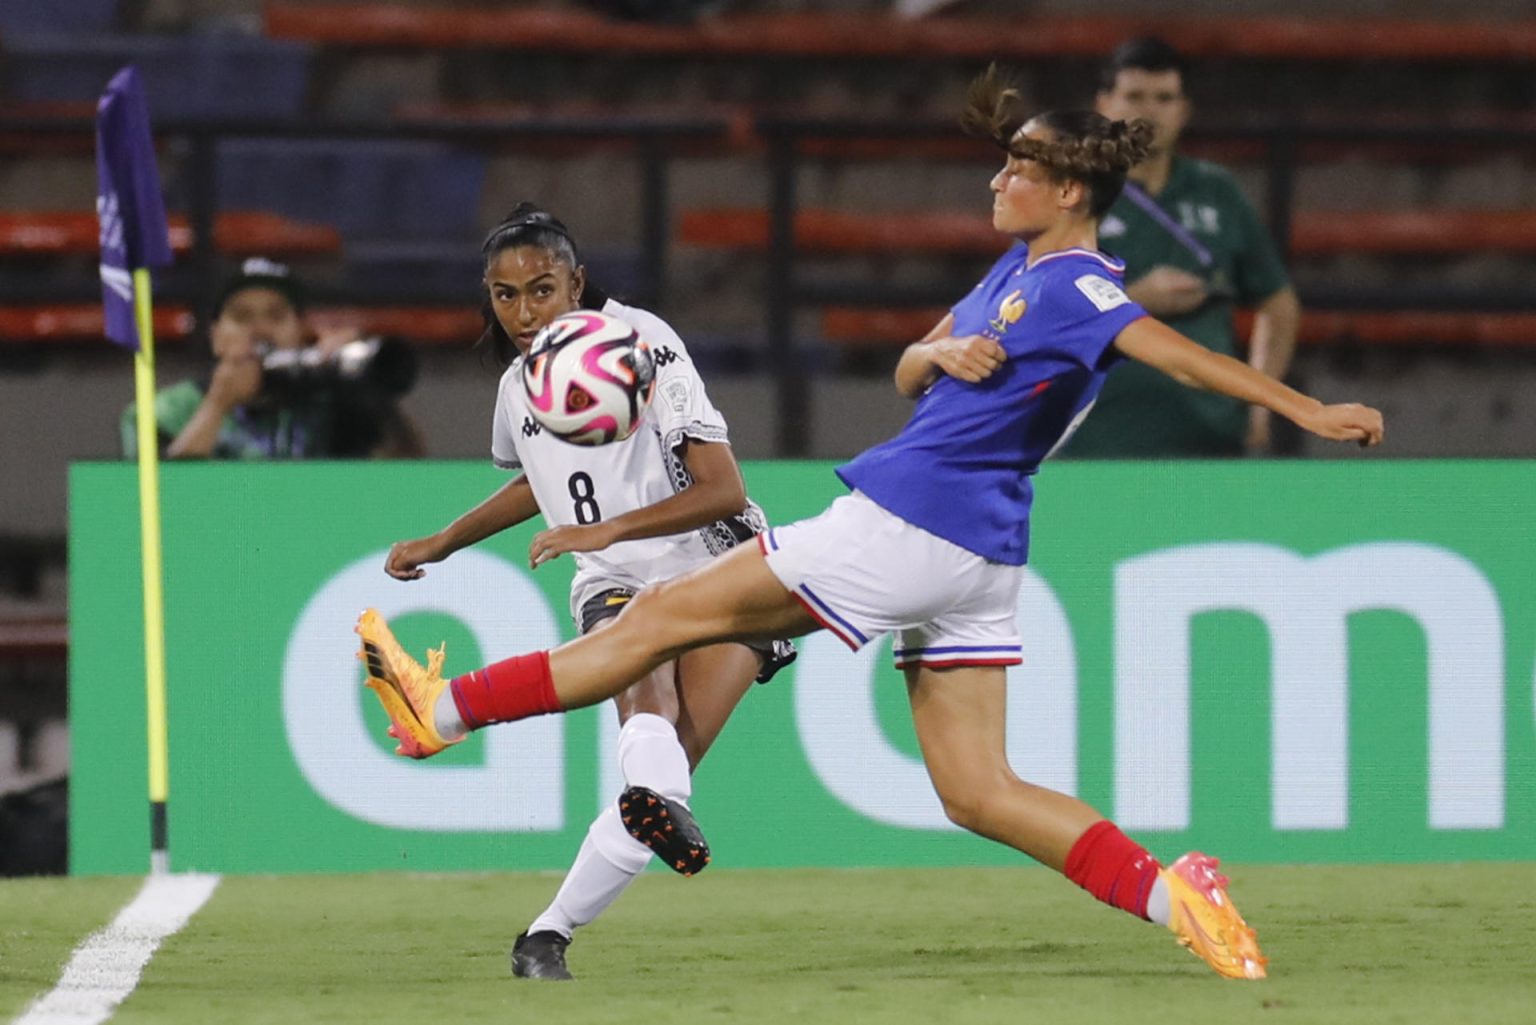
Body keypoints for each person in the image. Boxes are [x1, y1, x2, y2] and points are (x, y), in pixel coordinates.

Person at [355, 70, 1383, 981]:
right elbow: (907, 363)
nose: (996, 183)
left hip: (903, 524)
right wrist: (939, 357)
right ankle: (1178, 898)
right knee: (978, 791)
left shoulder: (1077, 283)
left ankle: (437, 712)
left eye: (1017, 169)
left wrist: (1305, 409)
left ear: (1069, 189)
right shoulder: (1010, 276)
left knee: (654, 617)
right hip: (982, 552)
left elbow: (1175, 350)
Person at [368, 203, 794, 981]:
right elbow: (543, 483)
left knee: (661, 783)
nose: (524, 313)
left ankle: (547, 923)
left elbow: (723, 489)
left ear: (578, 283)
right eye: (504, 295)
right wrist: (444, 539)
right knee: (652, 745)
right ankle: (544, 944)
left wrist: (605, 530)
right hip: (617, 584)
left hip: (719, 569)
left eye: (541, 289)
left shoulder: (645, 344)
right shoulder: (517, 387)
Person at [1063, 36, 1302, 458]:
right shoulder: (1069, 194)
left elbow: (1277, 303)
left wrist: (1260, 400)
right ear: (1104, 104)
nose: (1148, 110)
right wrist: (1135, 300)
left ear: (1183, 110)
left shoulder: (1217, 190)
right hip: (1093, 438)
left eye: (1164, 97)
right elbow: (1028, 315)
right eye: (1134, 95)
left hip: (1209, 436)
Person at [120, 257, 425, 460]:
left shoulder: (327, 404)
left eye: (276, 316)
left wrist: (359, 382)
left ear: (301, 331)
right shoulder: (165, 411)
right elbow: (155, 508)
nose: (260, 329)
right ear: (215, 337)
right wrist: (217, 405)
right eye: (242, 317)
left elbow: (407, 469)